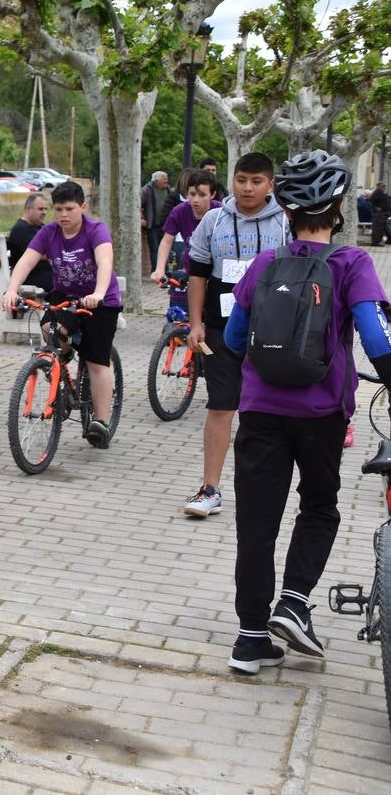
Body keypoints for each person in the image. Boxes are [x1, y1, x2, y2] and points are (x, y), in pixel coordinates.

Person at [221, 150, 391, 674]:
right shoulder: (352, 263)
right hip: (321, 413)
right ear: (338, 208)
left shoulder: (264, 265)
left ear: (285, 210)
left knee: (256, 521)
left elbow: (232, 338)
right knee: (319, 506)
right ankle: (294, 603)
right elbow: (374, 336)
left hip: (260, 412)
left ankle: (250, 639)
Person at [184, 153, 289, 518]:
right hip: (220, 330)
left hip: (272, 333)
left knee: (265, 413)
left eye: (256, 181)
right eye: (242, 179)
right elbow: (197, 273)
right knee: (221, 405)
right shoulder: (213, 220)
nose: (247, 187)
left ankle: (263, 493)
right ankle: (209, 488)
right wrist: (194, 322)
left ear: (270, 185)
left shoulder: (286, 223)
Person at [1, 181, 121, 448]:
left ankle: (100, 422)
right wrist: (11, 290)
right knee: (49, 329)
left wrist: (99, 293)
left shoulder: (95, 230)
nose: (63, 215)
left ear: (83, 207)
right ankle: (62, 360)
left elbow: (105, 262)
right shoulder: (49, 232)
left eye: (69, 209)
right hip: (65, 296)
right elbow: (27, 260)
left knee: (96, 361)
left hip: (100, 301)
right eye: (58, 209)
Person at [151, 170, 224, 316]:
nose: (196, 200)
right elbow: (166, 241)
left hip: (217, 271)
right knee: (182, 313)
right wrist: (159, 269)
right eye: (192, 194)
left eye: (202, 195)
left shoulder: (221, 211)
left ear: (213, 194)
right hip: (193, 269)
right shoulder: (179, 211)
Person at [7, 193, 53, 294]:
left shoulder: (41, 227)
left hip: (47, 273)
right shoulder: (20, 229)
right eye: (40, 209)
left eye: (46, 209)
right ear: (28, 209)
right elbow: (41, 255)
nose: (44, 212)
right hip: (32, 277)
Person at [141, 170, 175, 266]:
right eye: (164, 179)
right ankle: (156, 269)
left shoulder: (168, 190)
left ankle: (166, 269)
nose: (166, 181)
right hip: (153, 225)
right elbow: (137, 204)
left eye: (166, 179)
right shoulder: (147, 190)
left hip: (165, 224)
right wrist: (141, 218)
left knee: (166, 248)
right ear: (156, 180)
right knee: (154, 248)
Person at [368, 181, 391, 246]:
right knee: (377, 229)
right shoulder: (376, 193)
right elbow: (371, 201)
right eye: (382, 186)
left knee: (383, 229)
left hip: (384, 214)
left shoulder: (382, 193)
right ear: (378, 186)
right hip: (379, 214)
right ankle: (375, 242)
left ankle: (386, 240)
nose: (384, 187)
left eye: (384, 186)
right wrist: (376, 208)